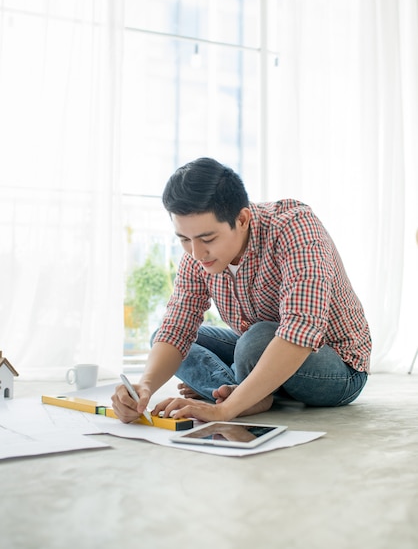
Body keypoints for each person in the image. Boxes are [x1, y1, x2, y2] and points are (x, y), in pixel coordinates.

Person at [112, 157, 371, 424]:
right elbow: (177, 325)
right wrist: (145, 386)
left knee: (255, 341)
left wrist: (224, 412)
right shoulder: (196, 252)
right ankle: (244, 395)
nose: (196, 253)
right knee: (166, 339)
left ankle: (230, 398)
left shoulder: (295, 227)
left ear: (243, 219)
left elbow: (300, 331)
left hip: (338, 366)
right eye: (184, 239)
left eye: (208, 238)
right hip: (256, 349)